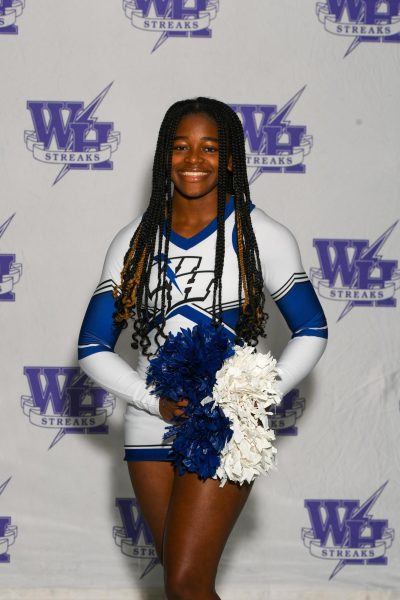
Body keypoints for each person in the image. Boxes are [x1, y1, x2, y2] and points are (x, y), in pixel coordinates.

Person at [78, 97, 327, 600]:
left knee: (188, 582)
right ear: (164, 157)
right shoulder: (135, 241)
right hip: (151, 425)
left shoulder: (261, 237)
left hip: (224, 428)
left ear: (231, 158)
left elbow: (312, 330)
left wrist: (251, 396)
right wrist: (154, 403)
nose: (194, 160)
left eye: (209, 148)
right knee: (180, 582)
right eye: (181, 147)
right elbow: (91, 346)